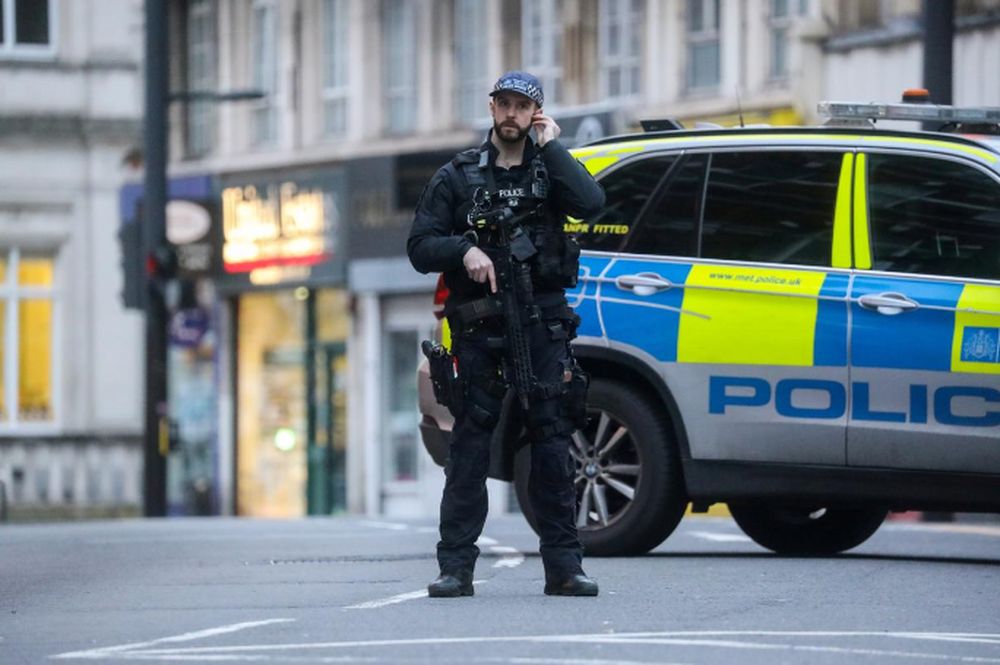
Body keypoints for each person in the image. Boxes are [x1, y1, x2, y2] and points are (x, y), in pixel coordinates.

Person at [407, 71, 605, 597]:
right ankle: (455, 568)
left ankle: (564, 567)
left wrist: (555, 147)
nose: (512, 114)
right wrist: (463, 250)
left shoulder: (551, 168)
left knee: (552, 443)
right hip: (479, 327)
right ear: (492, 107)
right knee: (470, 446)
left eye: (524, 106)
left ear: (536, 112)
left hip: (542, 324)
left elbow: (591, 204)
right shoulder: (458, 175)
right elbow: (420, 245)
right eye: (505, 104)